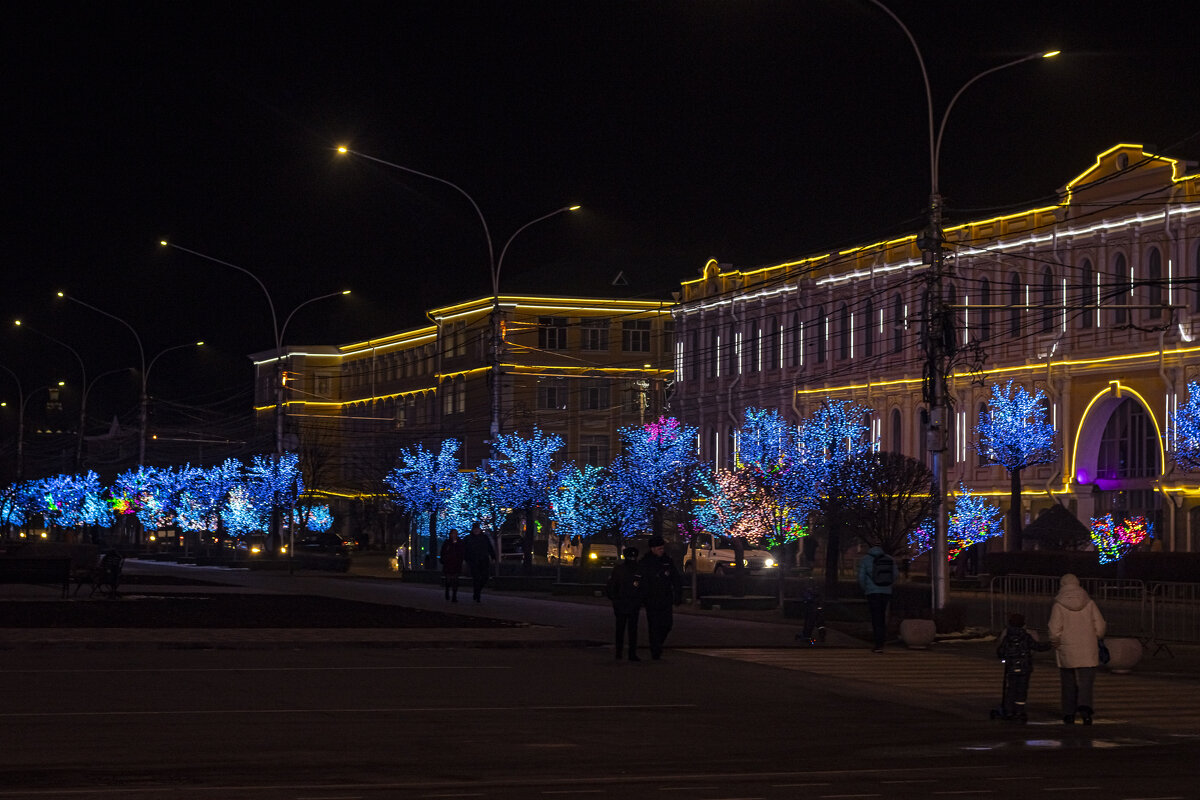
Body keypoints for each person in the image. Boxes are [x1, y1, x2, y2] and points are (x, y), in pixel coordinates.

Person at [1048, 573, 1107, 725]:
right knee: (1086, 681)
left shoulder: (1059, 605)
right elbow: (1100, 625)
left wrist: (1055, 642)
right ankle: (1086, 710)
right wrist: (1096, 636)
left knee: (1068, 681)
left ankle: (1069, 713)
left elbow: (1054, 629)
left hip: (1067, 647)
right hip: (1088, 647)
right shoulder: (1089, 603)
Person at [995, 612, 1052, 722]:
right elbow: (1037, 647)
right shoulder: (1026, 637)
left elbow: (1001, 651)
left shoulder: (1007, 637)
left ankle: (1009, 710)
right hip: (1025, 668)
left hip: (1011, 668)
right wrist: (1049, 645)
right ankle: (1019, 710)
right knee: (1022, 690)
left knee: (1011, 689)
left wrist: (1004, 656)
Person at [637, 535, 681, 660]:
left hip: (665, 598)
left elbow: (675, 578)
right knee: (654, 625)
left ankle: (658, 644)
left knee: (667, 624)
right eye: (659, 548)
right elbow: (642, 581)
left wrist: (678, 594)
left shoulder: (667, 560)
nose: (662, 550)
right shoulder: (646, 562)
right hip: (652, 599)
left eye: (662, 548)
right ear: (653, 549)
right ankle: (655, 649)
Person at [605, 546, 643, 661]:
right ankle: (630, 653)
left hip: (624, 603)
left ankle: (620, 653)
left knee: (621, 629)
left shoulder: (620, 569)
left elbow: (611, 586)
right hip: (629, 603)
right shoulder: (637, 569)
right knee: (631, 629)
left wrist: (614, 599)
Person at [856, 545, 894, 653]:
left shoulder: (865, 559)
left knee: (875, 616)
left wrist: (865, 588)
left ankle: (878, 643)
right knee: (882, 615)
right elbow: (894, 574)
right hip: (886, 591)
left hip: (872, 592)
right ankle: (882, 640)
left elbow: (861, 577)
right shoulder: (889, 559)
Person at [463, 523, 496, 603]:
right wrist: (467, 559)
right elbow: (464, 549)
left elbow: (489, 547)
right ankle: (477, 594)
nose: (476, 530)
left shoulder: (484, 537)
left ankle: (477, 591)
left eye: (477, 529)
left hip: (483, 560)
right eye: (475, 529)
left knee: (485, 577)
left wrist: (493, 556)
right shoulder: (468, 538)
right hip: (473, 561)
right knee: (476, 578)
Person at [439, 529, 466, 602]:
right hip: (448, 563)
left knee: (455, 580)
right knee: (448, 579)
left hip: (456, 563)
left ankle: (454, 595)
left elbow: (462, 552)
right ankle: (448, 590)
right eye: (453, 534)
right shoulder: (447, 542)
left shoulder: (460, 543)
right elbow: (443, 552)